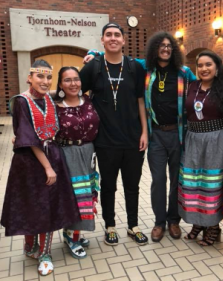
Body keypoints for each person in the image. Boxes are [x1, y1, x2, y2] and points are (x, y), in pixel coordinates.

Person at [85, 31, 196, 242]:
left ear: (174, 49)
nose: (165, 49)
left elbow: (204, 86)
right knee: (158, 180)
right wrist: (94, 53)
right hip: (155, 135)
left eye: (169, 46)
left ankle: (174, 221)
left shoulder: (184, 73)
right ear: (154, 49)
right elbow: (114, 54)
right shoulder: (145, 68)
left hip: (178, 135)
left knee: (176, 180)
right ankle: (159, 222)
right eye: (161, 45)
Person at [0, 60, 81, 276]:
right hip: (30, 161)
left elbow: (74, 87)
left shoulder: (49, 99)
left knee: (48, 206)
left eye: (48, 77)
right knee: (32, 205)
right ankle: (30, 246)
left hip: (52, 155)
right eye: (39, 76)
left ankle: (44, 254)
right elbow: (28, 138)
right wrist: (48, 167)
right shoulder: (20, 101)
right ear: (29, 78)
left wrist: (91, 59)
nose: (44, 81)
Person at [79, 23, 149, 246]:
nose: (113, 38)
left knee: (132, 186)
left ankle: (133, 225)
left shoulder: (134, 67)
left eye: (117, 35)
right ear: (102, 40)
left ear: (123, 40)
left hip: (132, 139)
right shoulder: (93, 67)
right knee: (108, 186)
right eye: (108, 35)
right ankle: (110, 226)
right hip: (105, 141)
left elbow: (141, 101)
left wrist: (145, 132)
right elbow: (74, 93)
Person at [179, 51, 223, 246]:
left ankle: (213, 226)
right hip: (193, 139)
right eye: (200, 65)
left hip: (216, 139)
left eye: (208, 64)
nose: (203, 69)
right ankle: (198, 221)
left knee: (212, 183)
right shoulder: (192, 86)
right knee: (193, 182)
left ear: (217, 67)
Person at [53, 66, 100, 259]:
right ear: (61, 84)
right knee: (74, 197)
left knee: (87, 195)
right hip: (67, 154)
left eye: (76, 79)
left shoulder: (88, 100)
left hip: (88, 152)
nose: (73, 83)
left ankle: (73, 234)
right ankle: (72, 238)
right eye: (67, 80)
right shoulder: (55, 105)